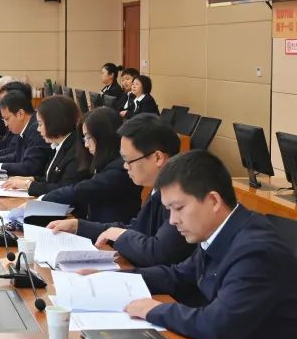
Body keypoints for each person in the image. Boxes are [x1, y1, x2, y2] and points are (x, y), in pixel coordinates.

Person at [125, 150, 297, 339]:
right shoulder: (223, 232)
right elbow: (178, 275)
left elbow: (218, 324)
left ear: (213, 201)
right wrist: (114, 278)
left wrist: (155, 310)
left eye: (178, 208)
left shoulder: (255, 251)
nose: (172, 220)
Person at [48, 113, 193, 268]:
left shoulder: (183, 195)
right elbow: (137, 229)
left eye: (128, 160)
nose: (125, 166)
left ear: (158, 157)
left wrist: (121, 235)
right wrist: (78, 225)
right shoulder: (159, 188)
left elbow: (159, 253)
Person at [40, 107, 142, 226]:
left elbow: (80, 190)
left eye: (88, 137)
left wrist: (42, 200)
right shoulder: (105, 161)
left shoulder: (120, 168)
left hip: (112, 234)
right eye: (84, 138)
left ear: (103, 136)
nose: (86, 144)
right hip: (97, 228)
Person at [1, 95, 85, 196]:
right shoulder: (58, 145)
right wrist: (29, 179)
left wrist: (28, 185)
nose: (38, 129)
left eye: (40, 124)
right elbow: (49, 178)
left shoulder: (76, 151)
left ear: (54, 123)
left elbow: (63, 189)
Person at [0, 91, 45, 177]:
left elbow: (29, 167)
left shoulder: (36, 130)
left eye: (7, 119)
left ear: (20, 114)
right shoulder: (25, 127)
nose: (5, 124)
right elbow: (16, 156)